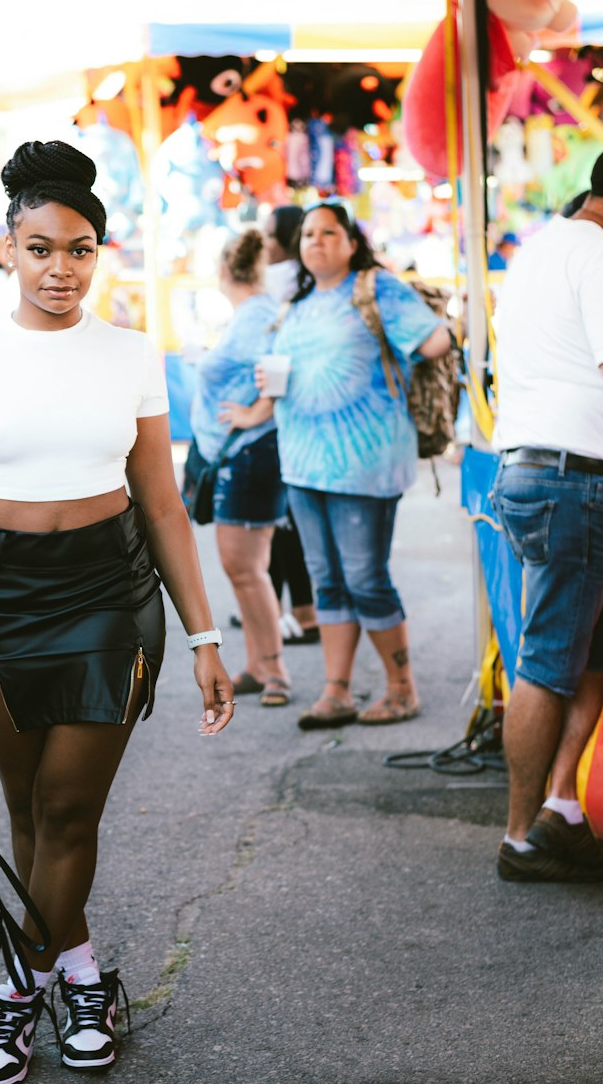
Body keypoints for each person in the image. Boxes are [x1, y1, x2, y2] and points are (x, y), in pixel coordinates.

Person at [0, 140, 233, 1084]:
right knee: (26, 810)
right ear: (7, 249)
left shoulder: (133, 354)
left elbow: (165, 506)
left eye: (82, 249)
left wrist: (208, 635)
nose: (63, 269)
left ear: (102, 252)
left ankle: (17, 991)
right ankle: (82, 970)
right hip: (2, 601)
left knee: (64, 806)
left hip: (109, 596)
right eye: (43, 248)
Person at [263, 198, 451, 730]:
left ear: (351, 242)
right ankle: (336, 691)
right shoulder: (294, 301)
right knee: (326, 581)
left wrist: (438, 340)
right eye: (307, 235)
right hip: (302, 462)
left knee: (366, 578)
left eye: (328, 233)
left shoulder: (375, 289)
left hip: (364, 462)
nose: (315, 242)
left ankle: (402, 689)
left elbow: (434, 340)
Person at [490, 156, 603, 883]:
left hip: (532, 468)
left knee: (587, 649)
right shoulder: (593, 254)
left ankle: (562, 806)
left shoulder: (538, 248)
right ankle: (520, 834)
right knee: (547, 660)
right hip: (574, 479)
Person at [185, 229, 291, 707]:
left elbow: (279, 368)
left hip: (249, 450)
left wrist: (257, 411)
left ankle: (274, 671)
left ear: (225, 271)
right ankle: (260, 664)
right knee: (244, 567)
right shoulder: (257, 314)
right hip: (245, 449)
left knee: (245, 567)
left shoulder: (256, 317)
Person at [261, 205, 319, 646]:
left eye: (267, 234)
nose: (263, 241)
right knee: (287, 523)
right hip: (307, 421)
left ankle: (285, 611)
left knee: (278, 523)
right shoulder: (312, 280)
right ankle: (295, 610)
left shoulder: (279, 279)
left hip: (280, 419)